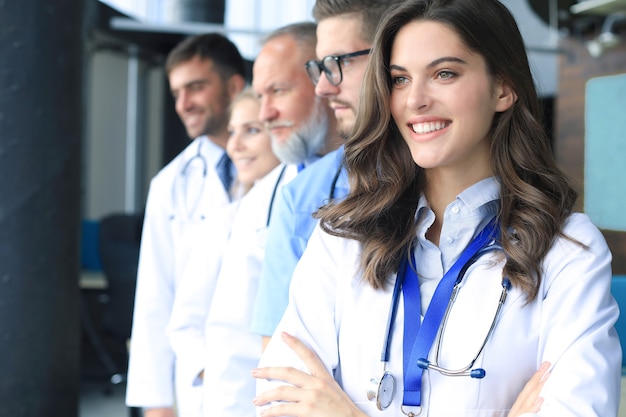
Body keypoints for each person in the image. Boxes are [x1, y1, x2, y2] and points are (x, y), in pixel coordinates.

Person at [253, 0, 621, 416]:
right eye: (400, 79)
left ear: (503, 87)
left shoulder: (567, 250)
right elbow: (279, 399)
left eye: (444, 73)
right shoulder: (344, 236)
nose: (416, 100)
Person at [250, 0, 402, 348]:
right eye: (319, 68)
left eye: (337, 63)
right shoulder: (304, 198)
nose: (323, 88)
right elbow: (283, 365)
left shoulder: (457, 179)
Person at [125, 33, 246, 417]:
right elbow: (154, 297)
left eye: (195, 87)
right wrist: (156, 403)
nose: (183, 104)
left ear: (235, 85)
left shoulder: (284, 168)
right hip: (198, 383)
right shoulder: (170, 184)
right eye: (177, 92)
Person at [166, 88, 287, 417]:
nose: (235, 145)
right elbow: (186, 324)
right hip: (231, 399)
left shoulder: (292, 212)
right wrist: (219, 378)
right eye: (233, 132)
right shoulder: (223, 223)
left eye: (251, 131)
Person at [252, 22, 341, 169]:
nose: (264, 115)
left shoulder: (386, 172)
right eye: (260, 97)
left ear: (325, 78)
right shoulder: (266, 191)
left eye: (278, 90)